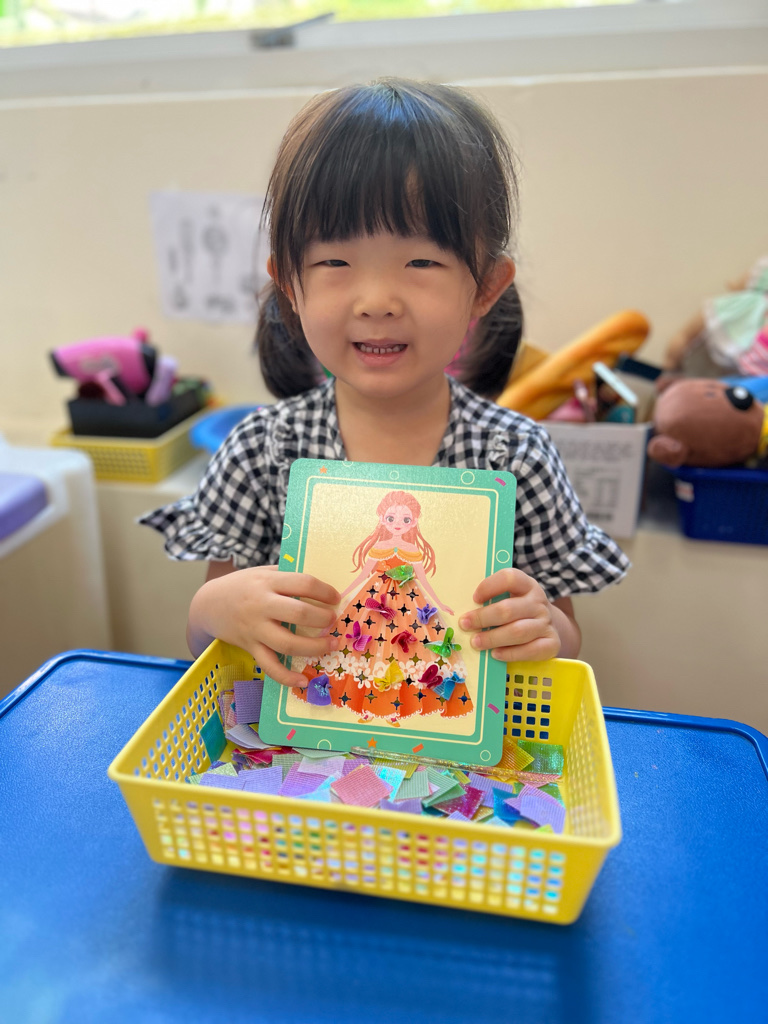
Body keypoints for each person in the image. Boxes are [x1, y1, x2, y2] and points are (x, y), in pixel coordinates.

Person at [140, 77, 629, 691]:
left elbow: (564, 642)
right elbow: (207, 647)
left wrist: (543, 626)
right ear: (289, 282)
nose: (377, 300)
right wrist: (212, 610)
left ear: (485, 287)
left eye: (421, 261)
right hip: (294, 741)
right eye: (335, 262)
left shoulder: (515, 455)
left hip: (456, 738)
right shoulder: (260, 452)